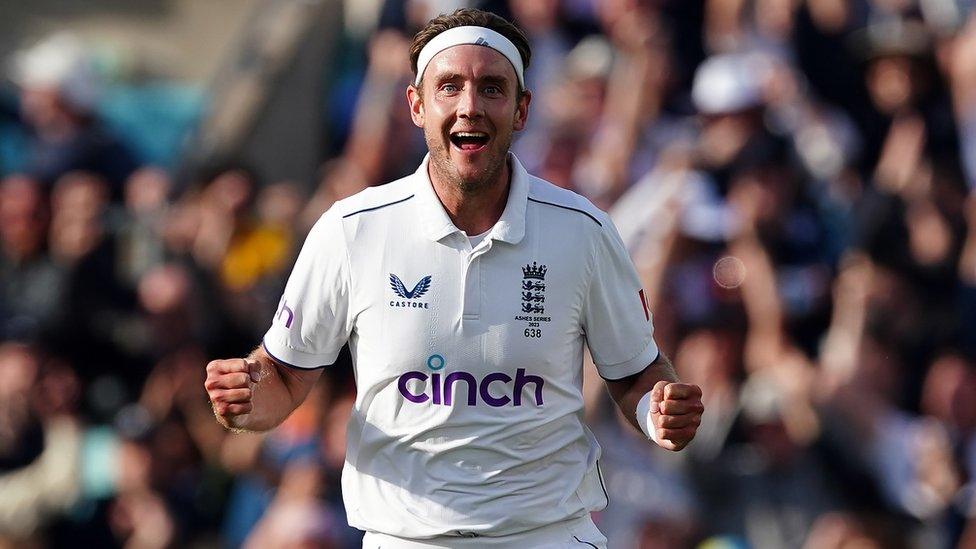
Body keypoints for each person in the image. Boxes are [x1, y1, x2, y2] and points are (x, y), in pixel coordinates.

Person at [204, 8, 703, 547]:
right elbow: (283, 376)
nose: (470, 107)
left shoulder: (582, 230)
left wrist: (658, 410)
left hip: (548, 536)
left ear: (521, 110)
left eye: (492, 88)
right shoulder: (351, 231)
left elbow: (634, 373)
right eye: (449, 87)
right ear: (417, 105)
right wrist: (247, 396)